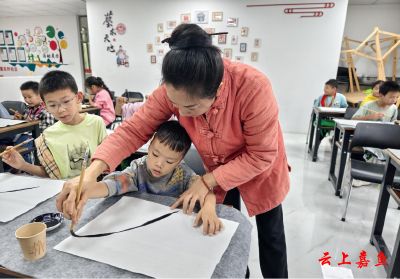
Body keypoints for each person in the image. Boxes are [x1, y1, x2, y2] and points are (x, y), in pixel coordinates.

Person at [57, 23, 290, 279]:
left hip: (259, 168)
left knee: (271, 236)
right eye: (176, 106)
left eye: (190, 108)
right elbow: (133, 130)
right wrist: (92, 173)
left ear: (219, 91)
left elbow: (261, 154)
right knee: (227, 232)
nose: (182, 114)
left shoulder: (253, 87)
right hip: (217, 170)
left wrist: (208, 180)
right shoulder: (171, 91)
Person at [65, 121, 222, 236]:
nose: (159, 164)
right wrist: (85, 190)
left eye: (169, 161)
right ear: (150, 145)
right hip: (137, 228)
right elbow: (111, 186)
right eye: (154, 154)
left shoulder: (184, 174)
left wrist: (208, 208)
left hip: (169, 230)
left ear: (181, 160)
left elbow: (205, 191)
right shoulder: (138, 170)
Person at [2, 70, 107, 179]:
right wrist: (23, 165)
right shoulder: (47, 136)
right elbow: (51, 173)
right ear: (45, 106)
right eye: (52, 105)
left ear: (78, 97)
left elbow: (106, 159)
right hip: (65, 191)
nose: (61, 110)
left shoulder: (96, 123)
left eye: (66, 101)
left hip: (95, 188)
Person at [351, 81, 400, 187]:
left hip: (384, 139)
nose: (394, 100)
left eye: (397, 97)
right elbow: (353, 119)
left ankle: (386, 175)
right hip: (367, 137)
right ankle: (364, 175)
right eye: (391, 97)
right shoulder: (369, 105)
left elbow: (393, 124)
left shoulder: (393, 108)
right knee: (367, 149)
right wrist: (369, 116)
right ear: (381, 95)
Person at [0, 81, 55, 168]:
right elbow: (25, 121)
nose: (27, 100)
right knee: (3, 139)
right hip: (23, 133)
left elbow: (48, 128)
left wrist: (32, 123)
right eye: (24, 97)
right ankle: (6, 167)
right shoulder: (28, 108)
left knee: (21, 146)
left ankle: (24, 168)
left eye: (30, 97)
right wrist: (19, 119)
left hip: (36, 136)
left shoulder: (47, 110)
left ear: (40, 95)